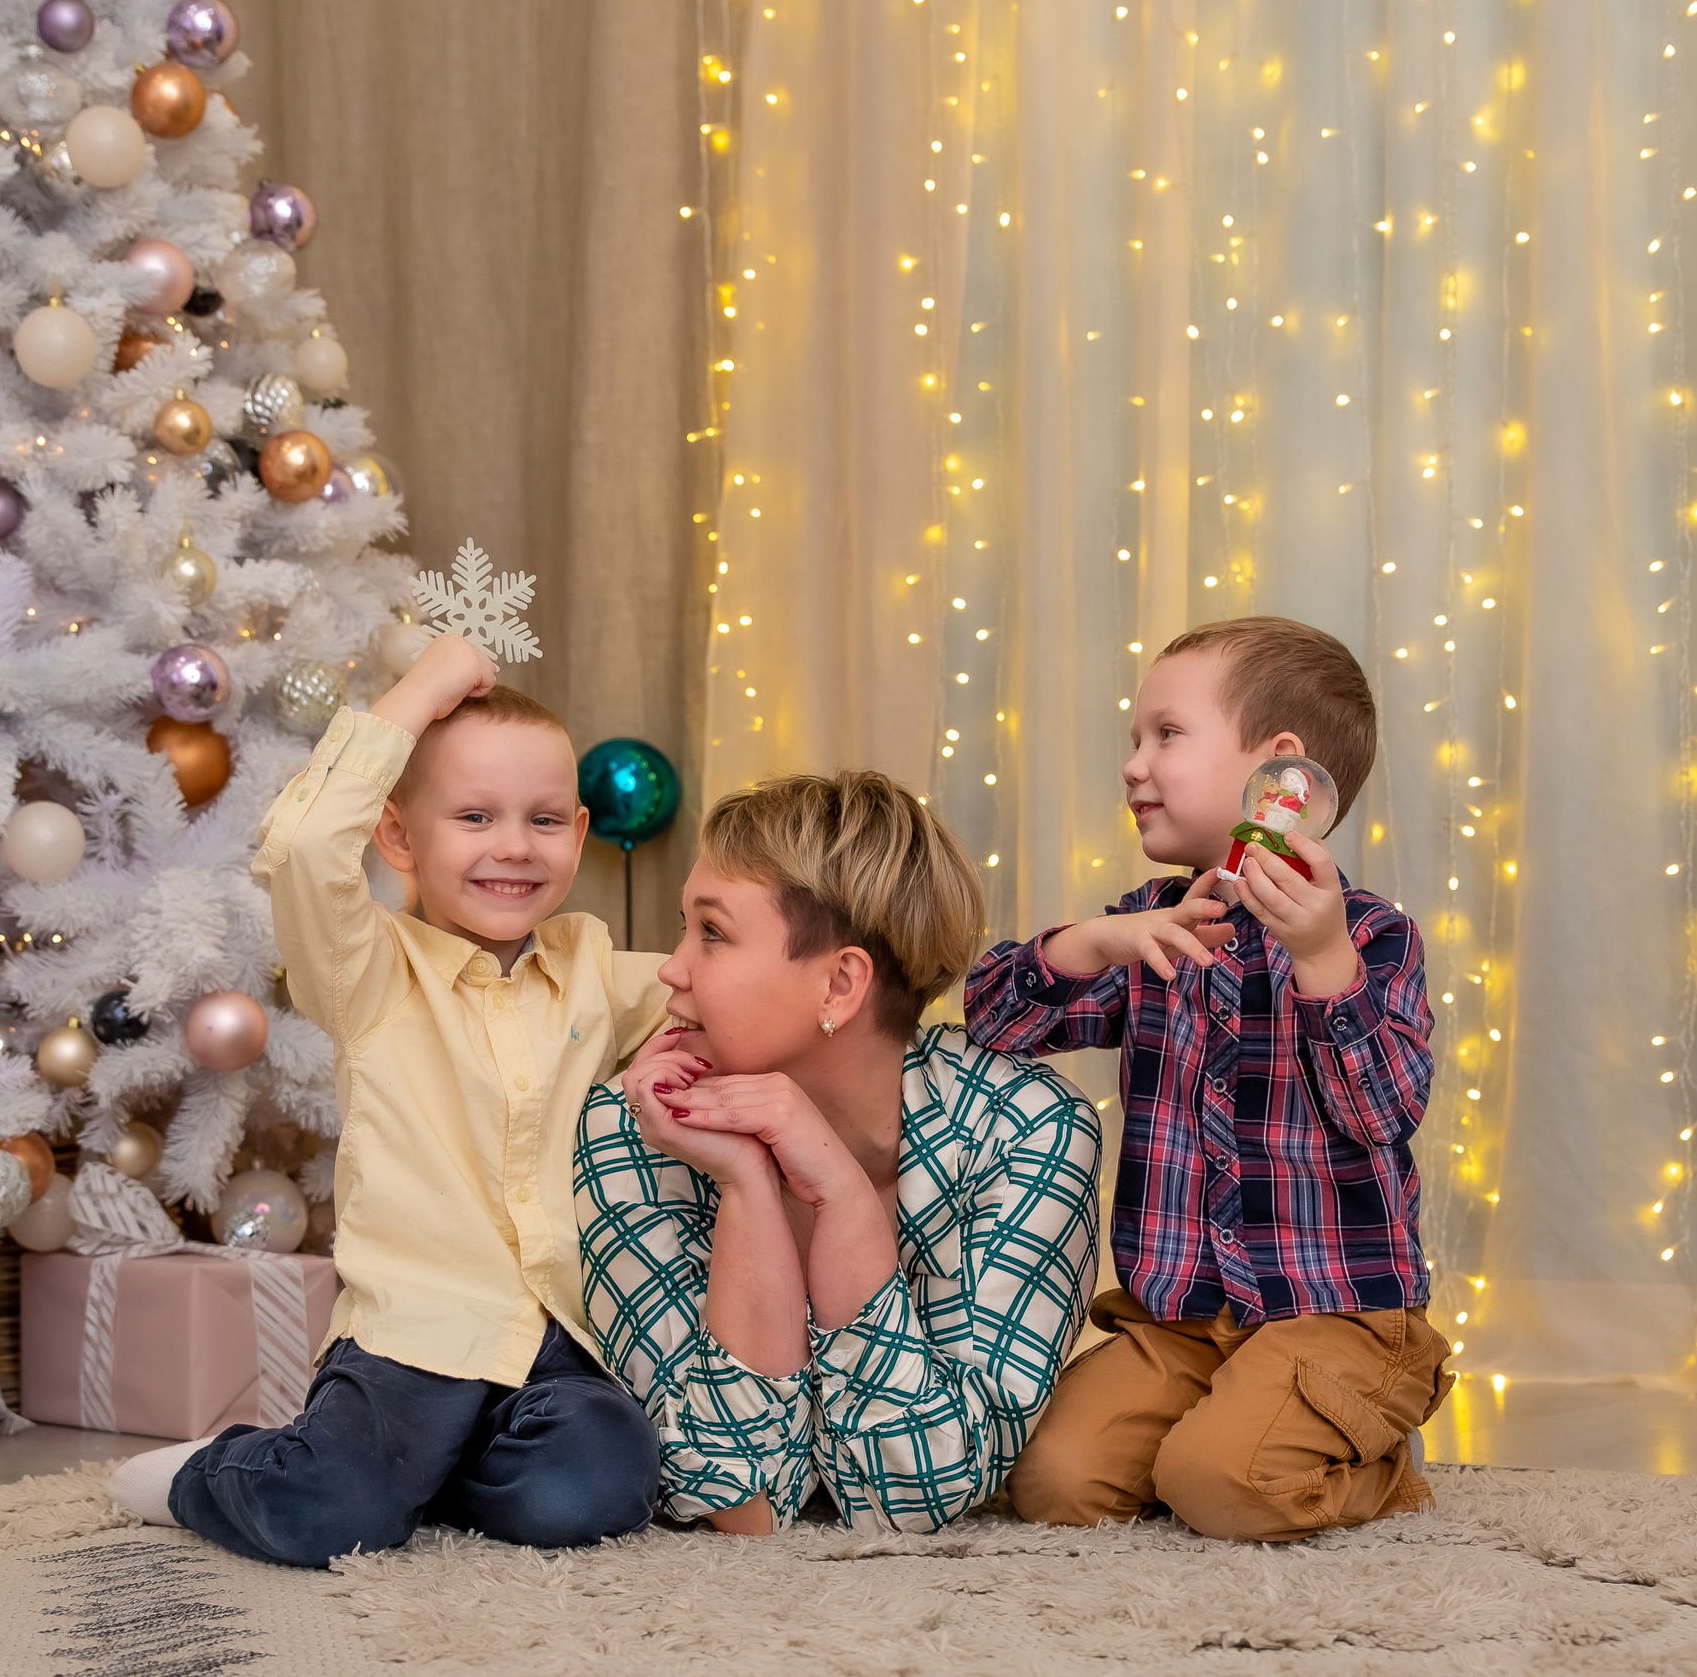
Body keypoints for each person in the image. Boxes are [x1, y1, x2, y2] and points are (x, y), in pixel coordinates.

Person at [108, 631, 669, 1566]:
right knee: (329, 1513)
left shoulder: (592, 971)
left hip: (558, 1343)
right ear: (401, 835)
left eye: (541, 820)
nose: (513, 848)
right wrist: (421, 689)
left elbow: (714, 997)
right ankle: (211, 1472)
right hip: (413, 1337)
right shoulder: (369, 974)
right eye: (476, 818)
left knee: (601, 1483)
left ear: (578, 833)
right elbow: (302, 844)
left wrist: (672, 1054)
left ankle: (429, 1474)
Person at [965, 616, 1453, 1542]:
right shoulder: (1156, 922)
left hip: (1333, 1311)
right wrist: (1092, 941)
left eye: (1167, 735)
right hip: (1183, 1320)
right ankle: (1226, 1424)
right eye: (1134, 739)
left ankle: (1374, 1465)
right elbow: (993, 1020)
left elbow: (1383, 1108)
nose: (1134, 764)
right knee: (1053, 1483)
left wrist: (1320, 959)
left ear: (1282, 775)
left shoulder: (1373, 936)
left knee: (1223, 1483)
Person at [576, 771, 1100, 1534]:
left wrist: (843, 1197)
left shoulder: (1029, 1130)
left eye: (712, 932)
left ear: (840, 984)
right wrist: (749, 1187)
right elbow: (740, 1503)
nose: (671, 967)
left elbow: (918, 1496)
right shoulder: (636, 1126)